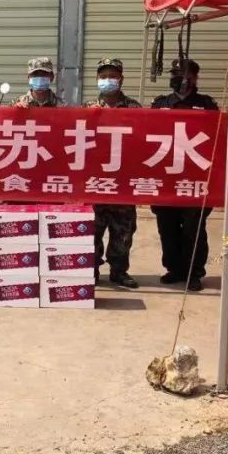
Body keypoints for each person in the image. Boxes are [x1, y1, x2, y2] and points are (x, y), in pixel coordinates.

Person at [150, 59, 219, 291]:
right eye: (175, 74)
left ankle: (194, 272)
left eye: (184, 74)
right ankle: (174, 269)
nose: (178, 78)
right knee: (166, 226)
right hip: (166, 175)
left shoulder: (207, 104)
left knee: (194, 228)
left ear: (195, 77)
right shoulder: (160, 104)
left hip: (195, 177)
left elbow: (217, 138)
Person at [88, 58, 141, 289]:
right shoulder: (87, 107)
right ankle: (91, 269)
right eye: (103, 77)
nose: (107, 80)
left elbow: (143, 140)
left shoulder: (134, 108)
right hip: (94, 181)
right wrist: (88, 117)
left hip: (122, 181)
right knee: (92, 230)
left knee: (123, 232)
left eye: (112, 76)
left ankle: (119, 271)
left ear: (121, 79)